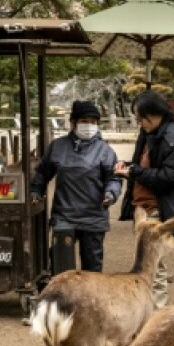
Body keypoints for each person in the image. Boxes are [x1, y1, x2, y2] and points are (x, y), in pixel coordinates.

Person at [114, 90, 174, 307]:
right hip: (143, 207)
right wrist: (129, 167)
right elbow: (146, 168)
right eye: (137, 118)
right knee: (145, 262)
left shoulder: (173, 141)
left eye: (142, 117)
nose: (139, 122)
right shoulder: (150, 135)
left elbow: (171, 176)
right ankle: (148, 310)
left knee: (155, 265)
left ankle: (156, 314)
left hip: (159, 209)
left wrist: (135, 173)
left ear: (155, 114)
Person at [30, 101, 121, 272]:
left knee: (92, 269)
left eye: (93, 122)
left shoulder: (105, 150)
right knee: (60, 266)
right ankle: (61, 298)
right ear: (73, 123)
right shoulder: (57, 147)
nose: (89, 126)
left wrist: (111, 193)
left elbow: (113, 178)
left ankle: (90, 299)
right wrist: (36, 190)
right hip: (65, 216)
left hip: (94, 217)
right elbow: (42, 173)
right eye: (84, 121)